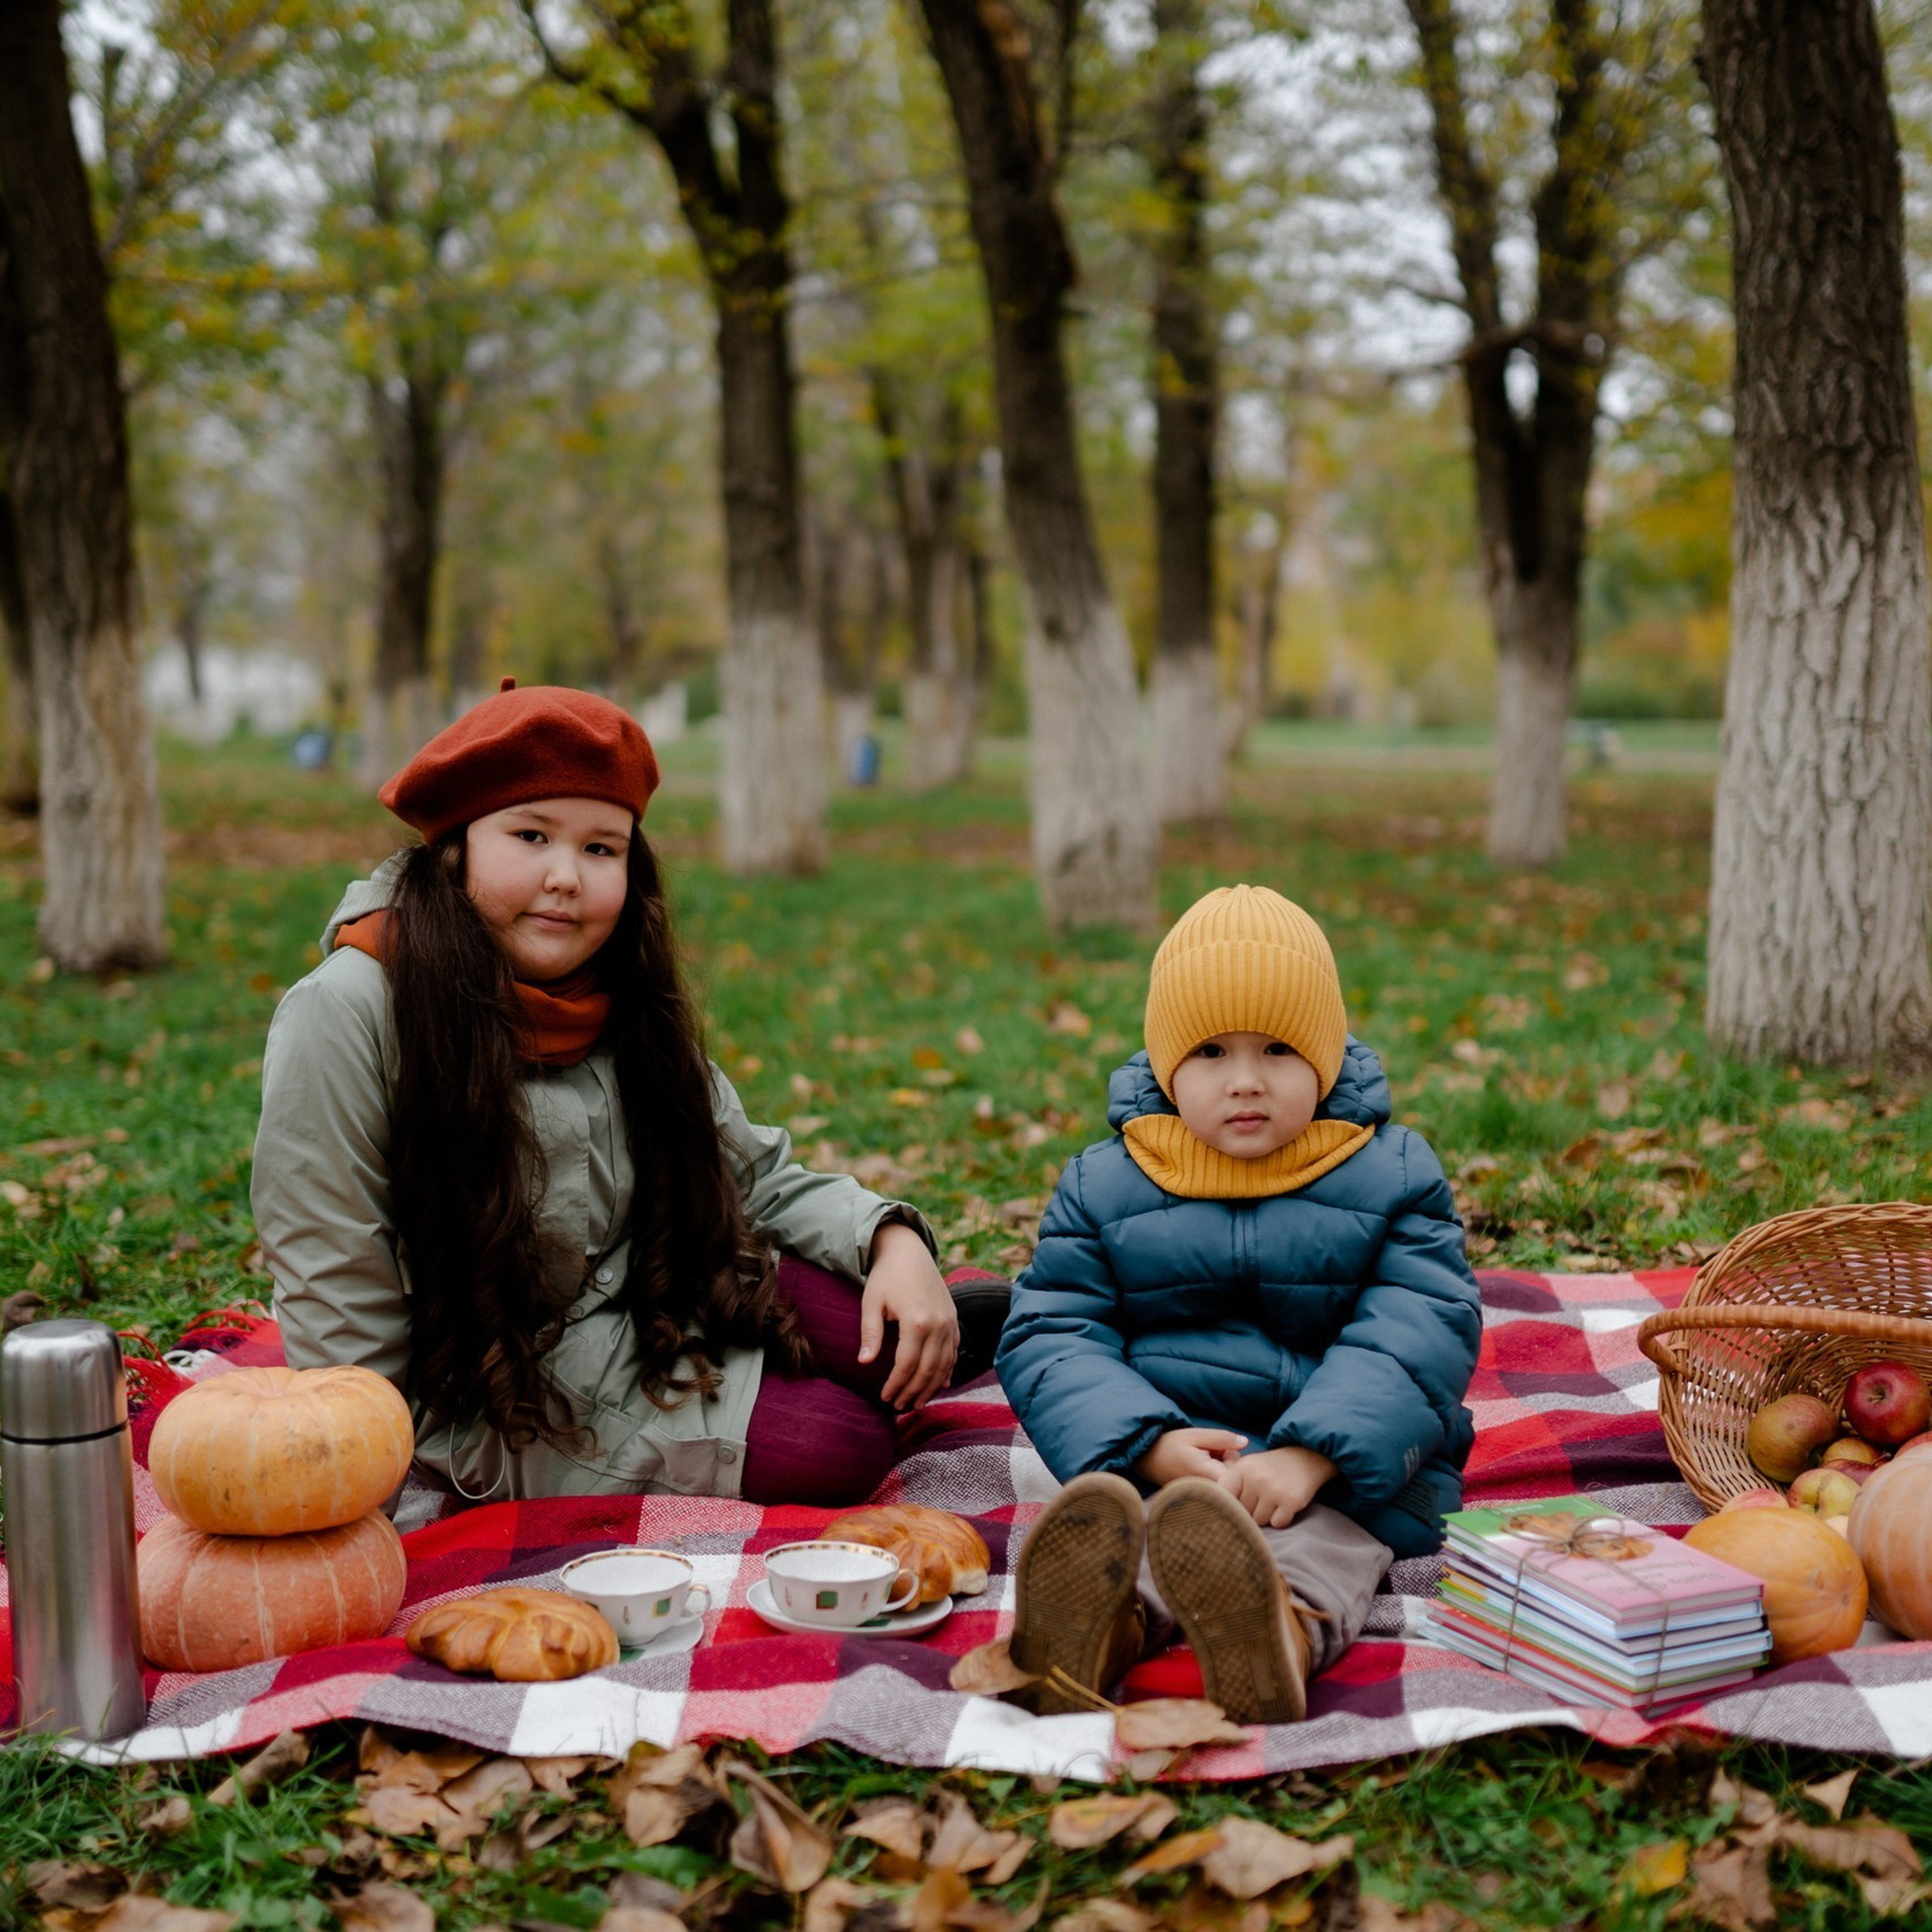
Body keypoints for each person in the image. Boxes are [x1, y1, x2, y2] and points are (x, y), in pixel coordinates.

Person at [253, 680, 1006, 1504]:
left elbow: (747, 1173)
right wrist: (381, 1480)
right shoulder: (350, 1011)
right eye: (531, 834)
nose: (565, 877)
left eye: (600, 848)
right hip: (497, 1381)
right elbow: (336, 1286)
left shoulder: (614, 987)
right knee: (846, 1444)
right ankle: (843, 1375)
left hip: (649, 1288)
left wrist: (890, 1241)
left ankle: (905, 1345)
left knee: (874, 1325)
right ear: (455, 845)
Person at [995, 884, 1481, 1722]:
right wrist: (1146, 1445)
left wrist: (1311, 1457)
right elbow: (1051, 1329)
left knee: (1321, 1542)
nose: (1246, 1081)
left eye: (1280, 1051)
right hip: (1179, 1452)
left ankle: (1277, 1639)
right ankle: (1089, 1637)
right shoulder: (1106, 1182)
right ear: (1163, 1061)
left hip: (1350, 1470)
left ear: (1324, 1058)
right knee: (1144, 1533)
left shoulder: (1392, 1172)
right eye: (1212, 1052)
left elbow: (1419, 1326)